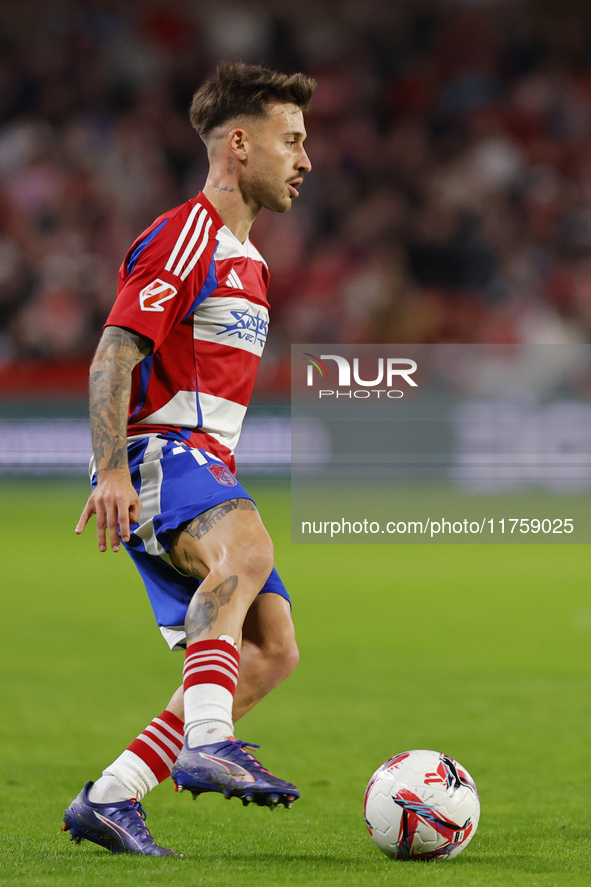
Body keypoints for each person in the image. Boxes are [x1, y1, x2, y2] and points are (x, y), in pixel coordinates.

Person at [62, 60, 315, 857]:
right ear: (239, 144)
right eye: (291, 140)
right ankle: (207, 739)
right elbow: (113, 353)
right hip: (158, 453)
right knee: (247, 549)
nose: (305, 159)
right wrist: (109, 469)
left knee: (272, 649)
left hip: (204, 466)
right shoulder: (187, 234)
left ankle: (112, 795)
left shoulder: (252, 263)